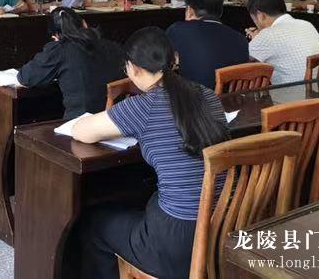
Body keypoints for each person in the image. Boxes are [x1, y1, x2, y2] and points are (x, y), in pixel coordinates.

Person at [72, 27, 229, 278]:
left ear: (133, 68)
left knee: (94, 224)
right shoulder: (208, 95)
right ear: (174, 58)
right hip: (223, 228)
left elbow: (82, 131)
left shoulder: (144, 106)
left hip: (176, 243)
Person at [17, 8, 126, 119]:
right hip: (118, 118)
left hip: (81, 121)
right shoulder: (113, 46)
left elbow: (26, 77)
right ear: (84, 24)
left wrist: (55, 46)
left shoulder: (60, 49)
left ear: (55, 36)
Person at [167, 0, 249, 90]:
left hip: (189, 98)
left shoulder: (177, 30)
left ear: (189, 10)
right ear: (221, 11)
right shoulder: (241, 40)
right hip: (227, 99)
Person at [246, 0, 319, 85]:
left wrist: (256, 40)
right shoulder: (307, 24)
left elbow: (241, 63)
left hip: (292, 93)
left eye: (254, 19)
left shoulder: (268, 34)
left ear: (260, 15)